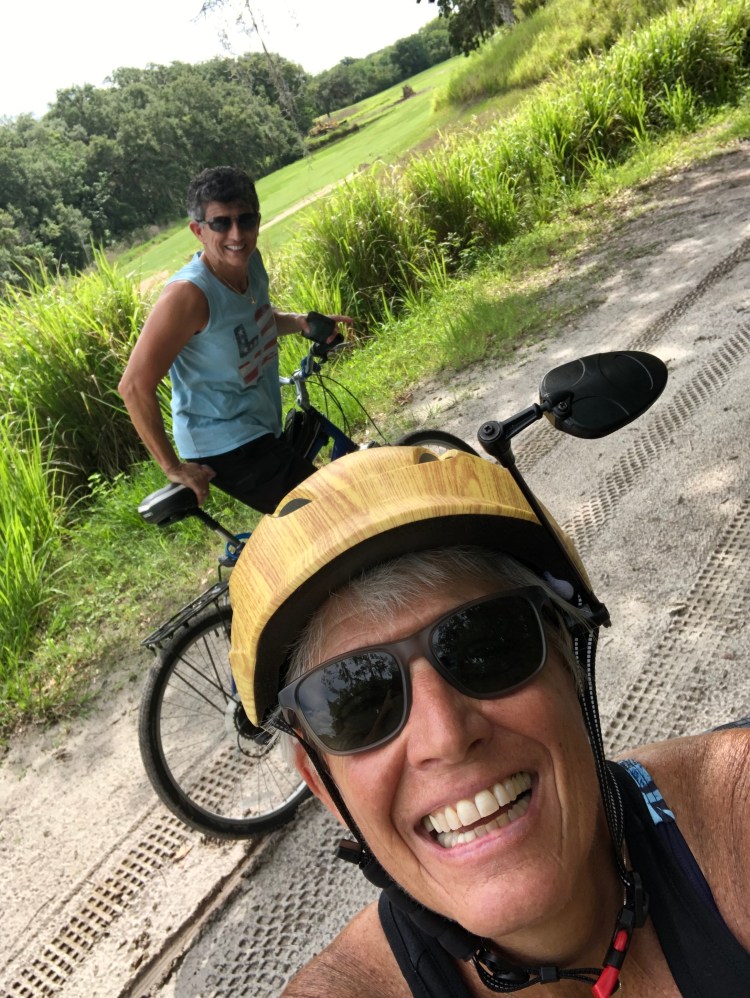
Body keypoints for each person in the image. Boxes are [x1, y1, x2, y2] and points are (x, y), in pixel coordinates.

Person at [227, 445, 750, 997]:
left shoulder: (733, 812)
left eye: (486, 647)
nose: (446, 737)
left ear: (571, 669)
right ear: (324, 787)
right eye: (360, 706)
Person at [118, 165, 351, 512]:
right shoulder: (188, 295)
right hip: (223, 440)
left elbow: (253, 321)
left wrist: (300, 323)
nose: (236, 234)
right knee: (327, 509)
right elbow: (134, 386)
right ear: (198, 230)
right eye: (221, 223)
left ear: (258, 220)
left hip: (256, 422)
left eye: (245, 220)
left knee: (310, 514)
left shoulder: (251, 263)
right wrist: (172, 467)